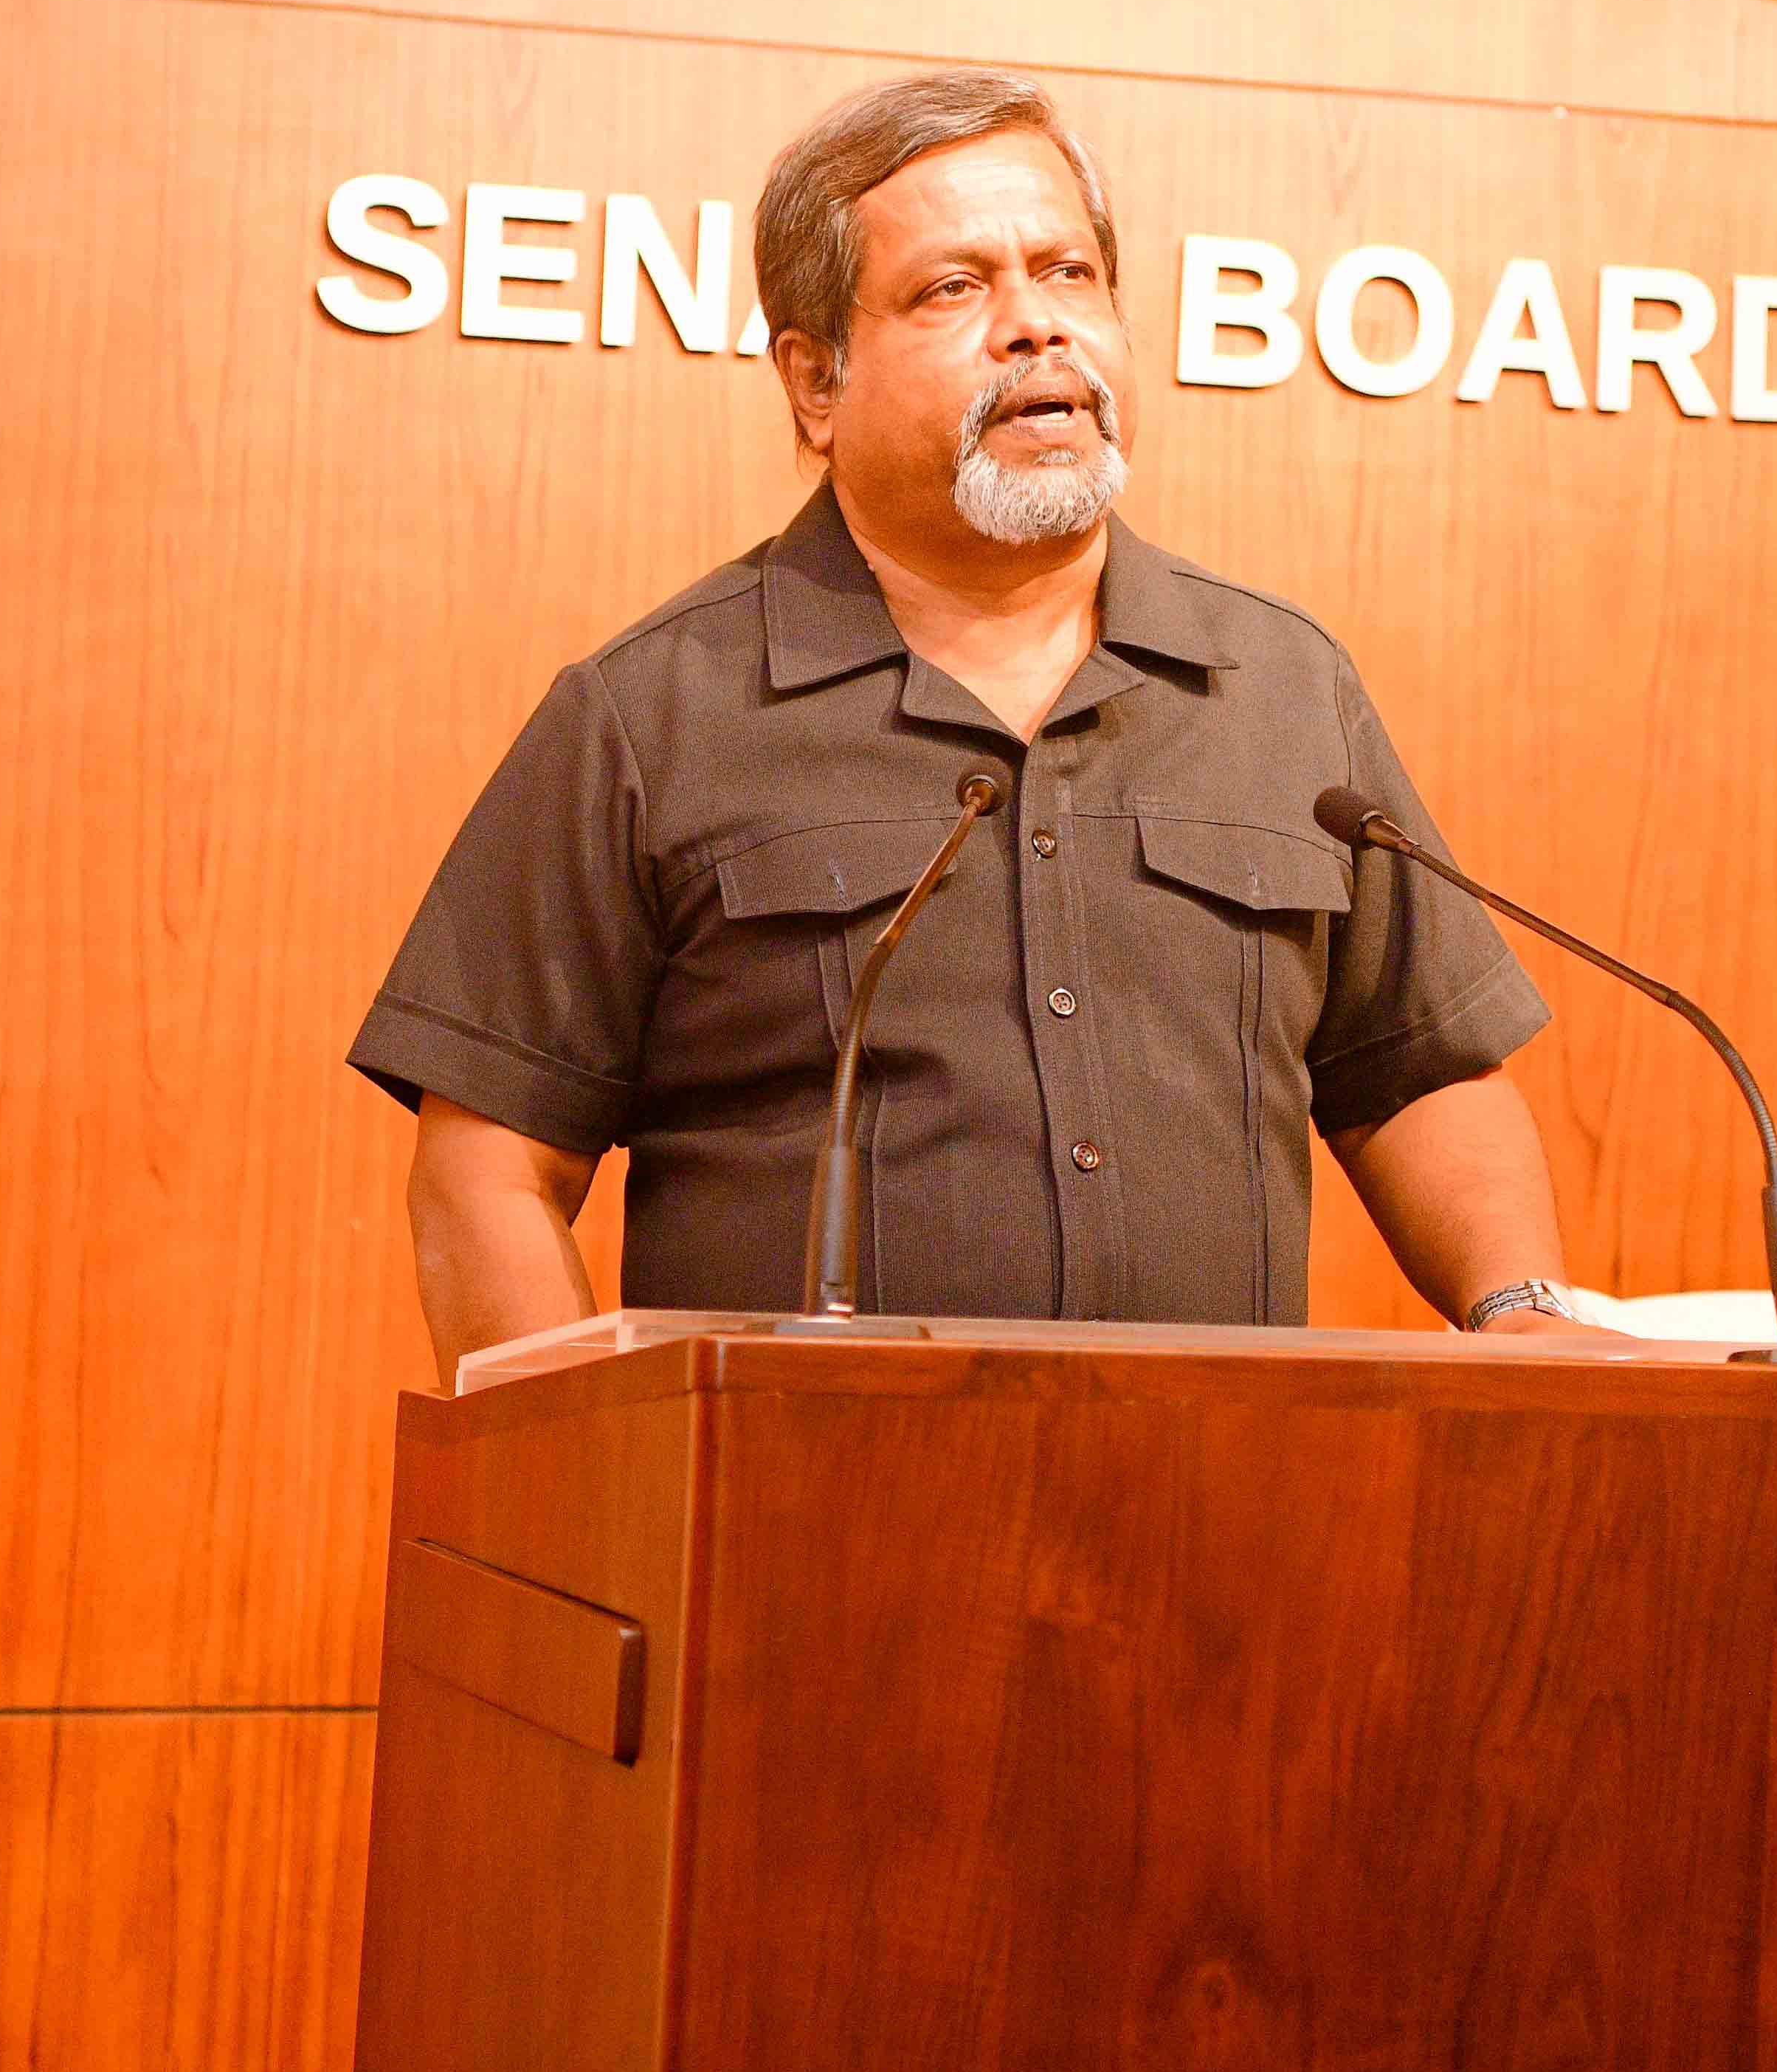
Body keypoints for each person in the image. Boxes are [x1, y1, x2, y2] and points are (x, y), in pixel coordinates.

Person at [351, 69, 1592, 1378]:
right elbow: (490, 1164)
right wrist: (579, 1462)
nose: (1035, 327)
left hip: (1210, 1485)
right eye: (953, 289)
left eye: (1069, 274)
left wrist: (1518, 1303)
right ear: (814, 381)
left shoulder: (1280, 684)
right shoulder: (654, 712)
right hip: (801, 1493)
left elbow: (1417, 1071)